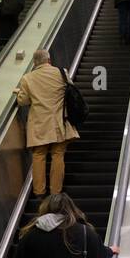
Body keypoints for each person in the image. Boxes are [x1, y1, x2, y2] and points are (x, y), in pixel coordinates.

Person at [14, 49, 79, 197]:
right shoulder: (62, 73)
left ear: (35, 63)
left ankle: (39, 192)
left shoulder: (27, 79)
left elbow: (23, 101)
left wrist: (19, 92)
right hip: (59, 122)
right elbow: (71, 90)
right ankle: (56, 192)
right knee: (58, 154)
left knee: (39, 155)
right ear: (49, 60)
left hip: (39, 124)